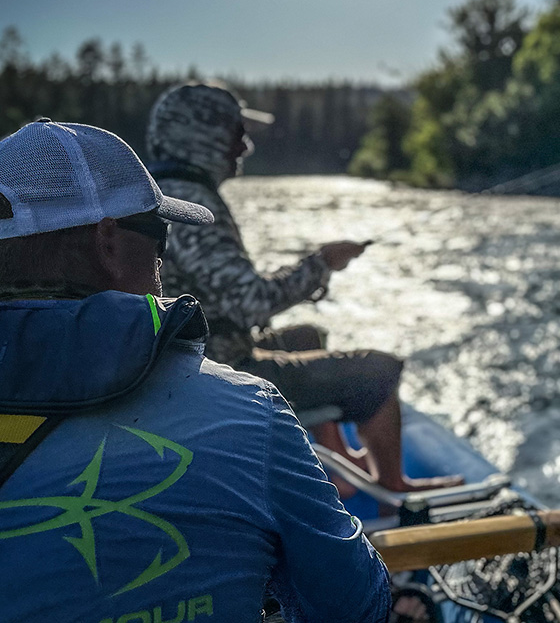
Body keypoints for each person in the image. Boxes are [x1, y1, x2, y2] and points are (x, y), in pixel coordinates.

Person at [0, 120, 390, 623]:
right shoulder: (249, 414)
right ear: (109, 243)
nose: (163, 264)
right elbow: (358, 609)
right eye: (159, 237)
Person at [145, 82, 459, 494]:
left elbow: (228, 293)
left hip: (192, 360)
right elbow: (251, 302)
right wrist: (322, 264)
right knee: (379, 369)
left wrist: (313, 270)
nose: (244, 148)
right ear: (201, 136)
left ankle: (339, 468)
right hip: (219, 372)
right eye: (236, 134)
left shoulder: (163, 194)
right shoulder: (192, 206)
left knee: (309, 336)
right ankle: (394, 490)